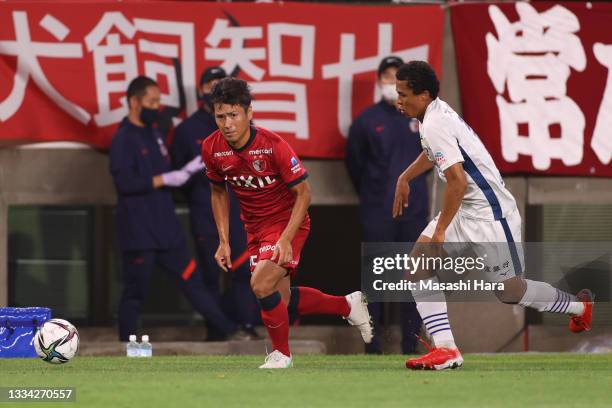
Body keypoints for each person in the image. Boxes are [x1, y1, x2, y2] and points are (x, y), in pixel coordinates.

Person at [392, 61, 594, 370]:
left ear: (423, 95)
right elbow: (435, 154)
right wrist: (405, 176)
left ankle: (579, 306)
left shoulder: (434, 123)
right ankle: (446, 349)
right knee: (418, 265)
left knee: (510, 291)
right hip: (466, 209)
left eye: (403, 94)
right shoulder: (431, 116)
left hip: (491, 216)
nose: (399, 101)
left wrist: (442, 229)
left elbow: (457, 181)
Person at [201, 77, 374, 369]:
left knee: (259, 285)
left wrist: (285, 239)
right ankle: (347, 305)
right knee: (279, 298)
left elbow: (304, 193)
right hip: (254, 228)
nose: (227, 123)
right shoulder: (212, 148)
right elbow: (218, 191)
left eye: (234, 115)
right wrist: (224, 239)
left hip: (288, 222)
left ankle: (282, 354)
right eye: (221, 116)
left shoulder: (272, 145)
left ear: (249, 113)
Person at [110, 75, 248, 342]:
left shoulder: (154, 133)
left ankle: (231, 331)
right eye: (151, 101)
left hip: (166, 230)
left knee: (193, 283)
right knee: (134, 291)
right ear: (134, 102)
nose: (156, 107)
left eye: (158, 101)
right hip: (139, 231)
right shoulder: (123, 138)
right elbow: (124, 182)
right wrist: (167, 178)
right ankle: (125, 346)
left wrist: (182, 174)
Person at [346, 56, 427, 354]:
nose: (392, 83)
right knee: (376, 277)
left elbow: (433, 159)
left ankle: (411, 343)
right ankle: (372, 346)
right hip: (377, 211)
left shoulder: (422, 119)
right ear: (379, 80)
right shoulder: (366, 121)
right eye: (387, 76)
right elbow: (354, 165)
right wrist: (374, 195)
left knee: (414, 277)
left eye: (398, 77)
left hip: (414, 212)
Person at [172, 67, 259, 340]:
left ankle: (245, 324)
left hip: (241, 210)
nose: (215, 89)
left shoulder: (245, 126)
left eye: (220, 84)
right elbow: (177, 175)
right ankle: (218, 330)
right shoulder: (187, 130)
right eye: (210, 84)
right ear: (201, 90)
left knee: (245, 270)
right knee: (211, 272)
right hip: (205, 211)